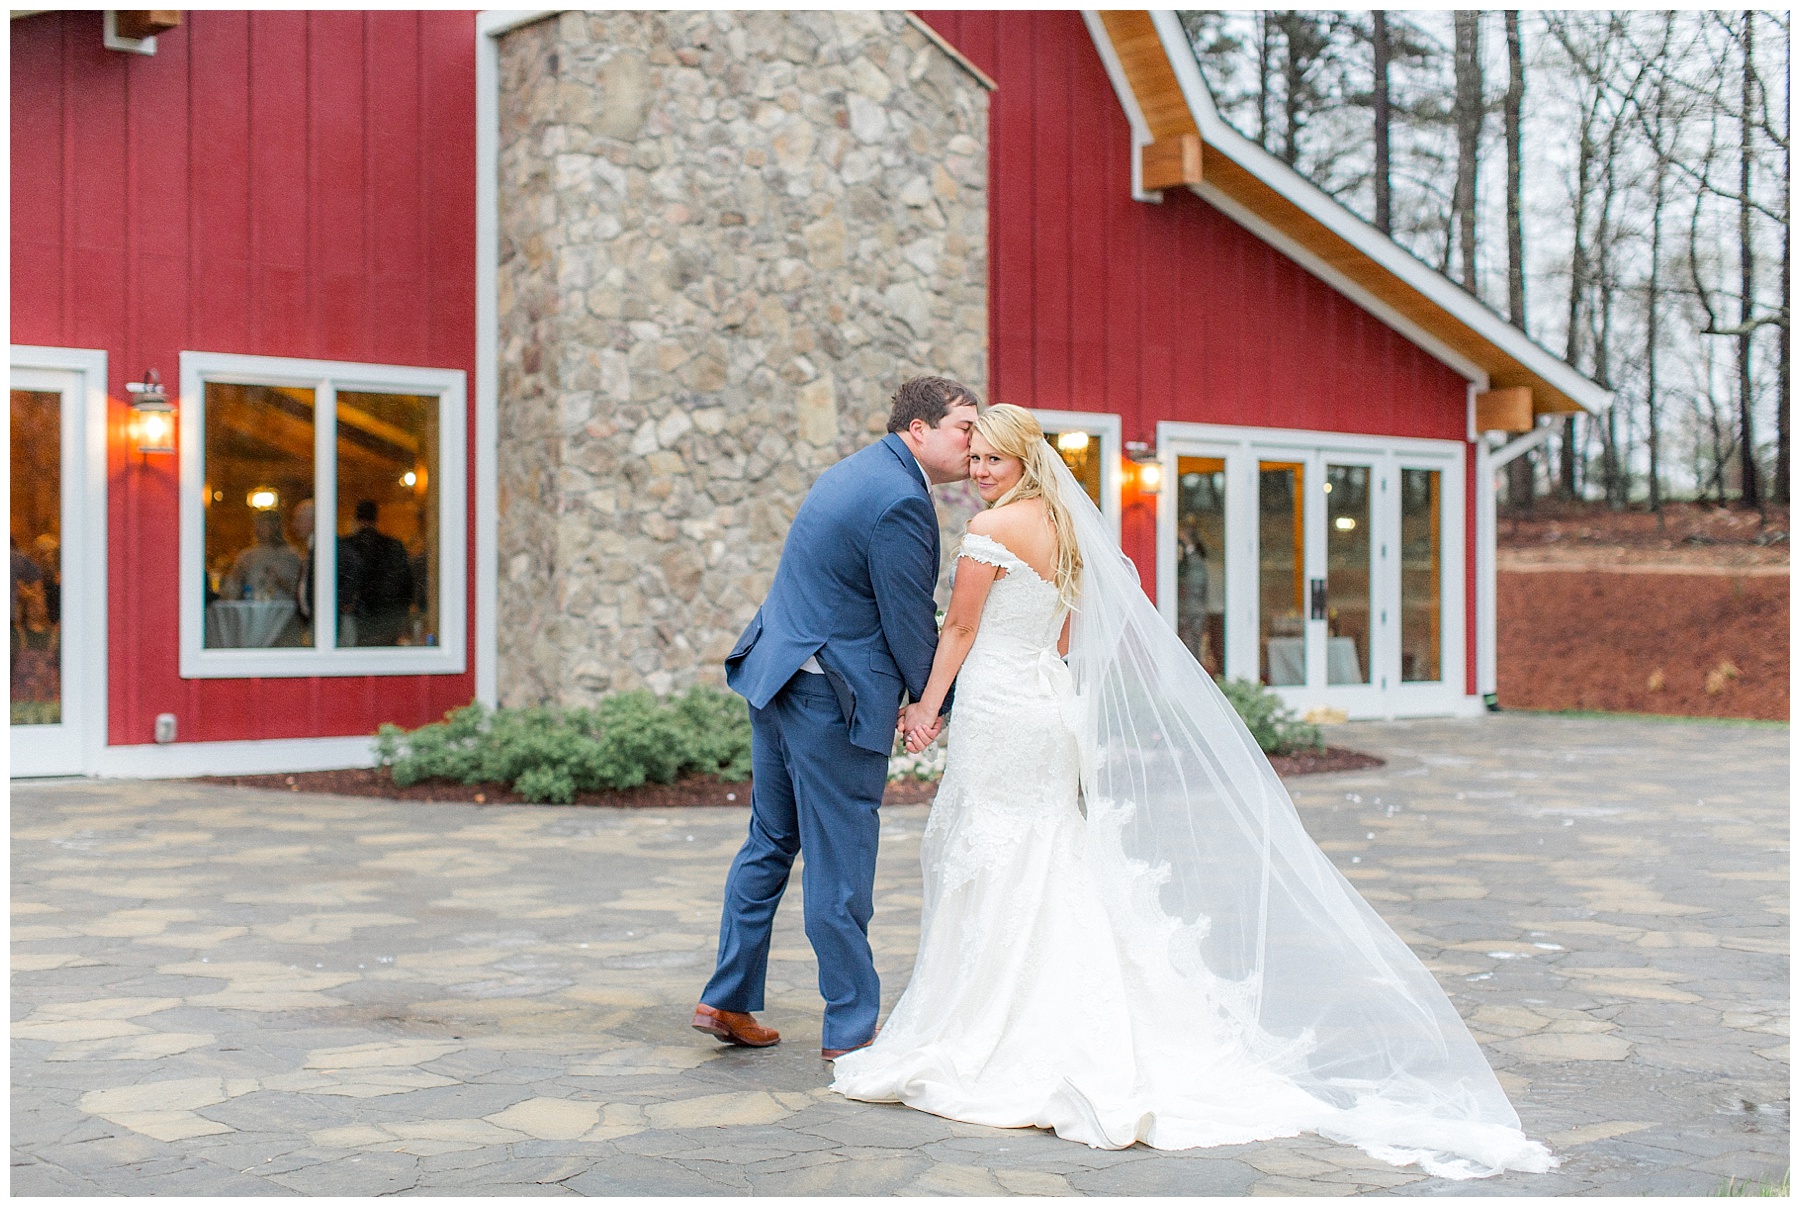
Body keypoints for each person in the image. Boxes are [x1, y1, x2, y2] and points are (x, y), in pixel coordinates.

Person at [829, 404, 1554, 1181]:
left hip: (1003, 709)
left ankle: (989, 1021)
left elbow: (962, 633)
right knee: (1044, 845)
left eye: (992, 461)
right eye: (974, 459)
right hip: (1047, 705)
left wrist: (926, 708)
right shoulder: (1070, 530)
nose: (978, 472)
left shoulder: (993, 533)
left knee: (998, 849)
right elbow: (1069, 637)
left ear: (1023, 462)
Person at [693, 376, 979, 1060]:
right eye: (964, 426)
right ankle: (852, 1029)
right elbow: (908, 619)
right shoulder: (902, 500)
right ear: (919, 428)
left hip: (781, 674)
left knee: (770, 841)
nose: (975, 441)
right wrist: (932, 703)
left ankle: (727, 997)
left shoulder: (860, 470)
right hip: (832, 697)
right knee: (841, 862)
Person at [341, 499, 413, 647]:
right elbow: (407, 585)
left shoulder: (346, 546)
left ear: (356, 518)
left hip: (354, 620)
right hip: (387, 618)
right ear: (376, 518)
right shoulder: (393, 545)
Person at [219, 510, 302, 603]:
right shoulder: (246, 556)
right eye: (257, 525)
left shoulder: (290, 555)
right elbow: (229, 594)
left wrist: (279, 581)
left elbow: (300, 591)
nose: (259, 529)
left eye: (264, 525)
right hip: (253, 611)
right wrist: (236, 577)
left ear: (276, 527)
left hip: (282, 612)